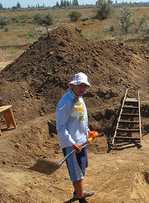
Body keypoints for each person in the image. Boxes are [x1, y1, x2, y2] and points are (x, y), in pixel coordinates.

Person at [56, 72, 96, 203]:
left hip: (81, 141)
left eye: (85, 86)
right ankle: (81, 199)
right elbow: (61, 128)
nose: (83, 89)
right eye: (80, 86)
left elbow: (80, 120)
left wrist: (88, 132)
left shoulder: (79, 98)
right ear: (72, 85)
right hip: (71, 145)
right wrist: (72, 144)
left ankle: (77, 191)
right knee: (76, 173)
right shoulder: (65, 103)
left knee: (80, 169)